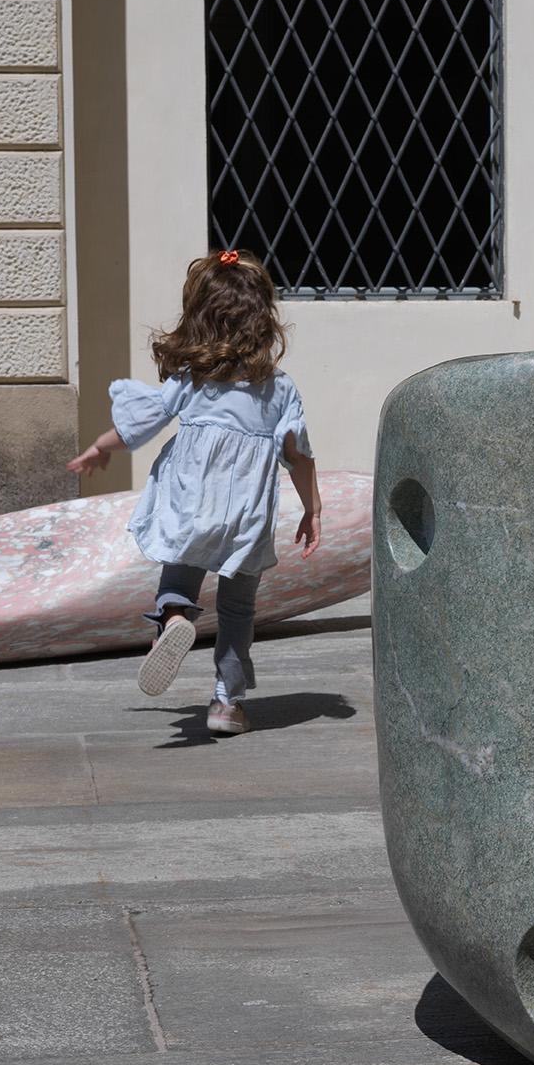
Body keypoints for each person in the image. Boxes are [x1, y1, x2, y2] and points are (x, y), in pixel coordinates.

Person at [69, 249, 321, 736]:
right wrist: (312, 510)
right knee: (237, 609)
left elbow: (141, 423)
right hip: (246, 518)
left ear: (199, 319)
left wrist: (101, 448)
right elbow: (300, 455)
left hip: (190, 505)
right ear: (264, 321)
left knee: (179, 578)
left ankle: (175, 615)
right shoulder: (280, 390)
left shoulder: (191, 379)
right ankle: (227, 703)